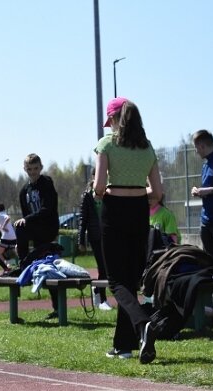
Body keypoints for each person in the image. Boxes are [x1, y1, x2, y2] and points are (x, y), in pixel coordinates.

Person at [94, 97, 163, 363]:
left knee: (116, 281)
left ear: (115, 119)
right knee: (130, 279)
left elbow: (100, 187)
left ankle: (143, 323)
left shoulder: (106, 144)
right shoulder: (148, 148)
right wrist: (137, 191)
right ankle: (123, 346)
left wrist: (100, 192)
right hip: (138, 212)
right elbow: (157, 192)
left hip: (114, 212)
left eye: (110, 120)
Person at [15, 153, 60, 319]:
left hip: (47, 229)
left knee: (51, 267)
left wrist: (26, 220)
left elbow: (47, 209)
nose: (32, 172)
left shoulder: (46, 183)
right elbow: (25, 217)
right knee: (20, 227)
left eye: (35, 169)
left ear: (40, 168)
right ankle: (23, 263)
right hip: (35, 230)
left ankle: (58, 307)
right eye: (29, 169)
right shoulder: (23, 191)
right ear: (25, 169)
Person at [77, 173, 113, 311]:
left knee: (109, 268)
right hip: (96, 238)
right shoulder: (87, 197)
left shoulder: (109, 194)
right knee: (103, 267)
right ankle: (102, 299)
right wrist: (81, 241)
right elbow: (82, 219)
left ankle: (97, 289)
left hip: (109, 237)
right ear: (93, 178)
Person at [190, 130, 213, 257]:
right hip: (206, 221)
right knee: (208, 261)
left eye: (196, 147)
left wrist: (209, 190)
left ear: (202, 146)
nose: (196, 151)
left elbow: (211, 189)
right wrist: (198, 191)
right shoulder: (206, 165)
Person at [0, 202, 18, 269]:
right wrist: (0, 228)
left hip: (6, 237)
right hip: (13, 236)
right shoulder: (3, 213)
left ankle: (7, 267)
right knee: (15, 253)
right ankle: (16, 264)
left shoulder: (0, 215)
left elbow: (8, 218)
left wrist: (3, 226)